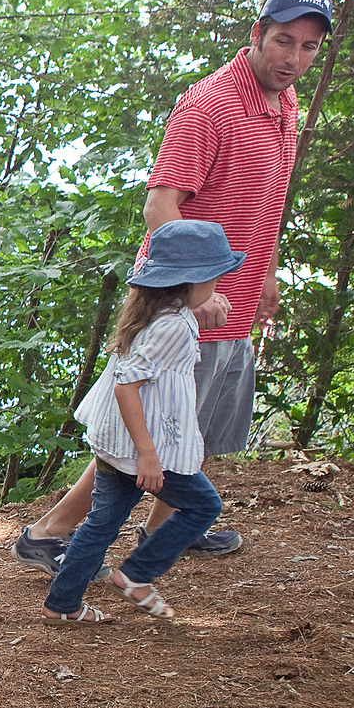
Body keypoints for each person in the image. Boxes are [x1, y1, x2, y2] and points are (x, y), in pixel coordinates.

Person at [14, 0, 332, 572]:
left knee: (198, 421)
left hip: (232, 293)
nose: (293, 59)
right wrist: (202, 294)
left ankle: (169, 529)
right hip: (184, 299)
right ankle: (47, 532)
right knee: (143, 432)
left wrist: (264, 273)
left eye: (308, 48)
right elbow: (161, 207)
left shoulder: (284, 107)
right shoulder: (210, 106)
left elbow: (266, 199)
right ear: (258, 32)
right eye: (284, 41)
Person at [42, 222, 241, 623]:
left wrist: (200, 312)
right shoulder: (172, 325)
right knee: (204, 506)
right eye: (215, 275)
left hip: (116, 444)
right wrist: (149, 456)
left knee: (101, 525)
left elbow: (154, 358)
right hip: (150, 449)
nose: (221, 282)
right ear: (190, 280)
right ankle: (137, 574)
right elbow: (127, 385)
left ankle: (61, 606)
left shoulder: (157, 312)